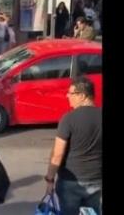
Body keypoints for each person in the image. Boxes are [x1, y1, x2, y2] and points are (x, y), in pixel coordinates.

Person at [44, 77, 102, 215]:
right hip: (96, 179)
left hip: (71, 181)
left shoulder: (68, 119)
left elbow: (57, 155)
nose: (67, 96)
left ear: (82, 96)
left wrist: (50, 178)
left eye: (71, 93)